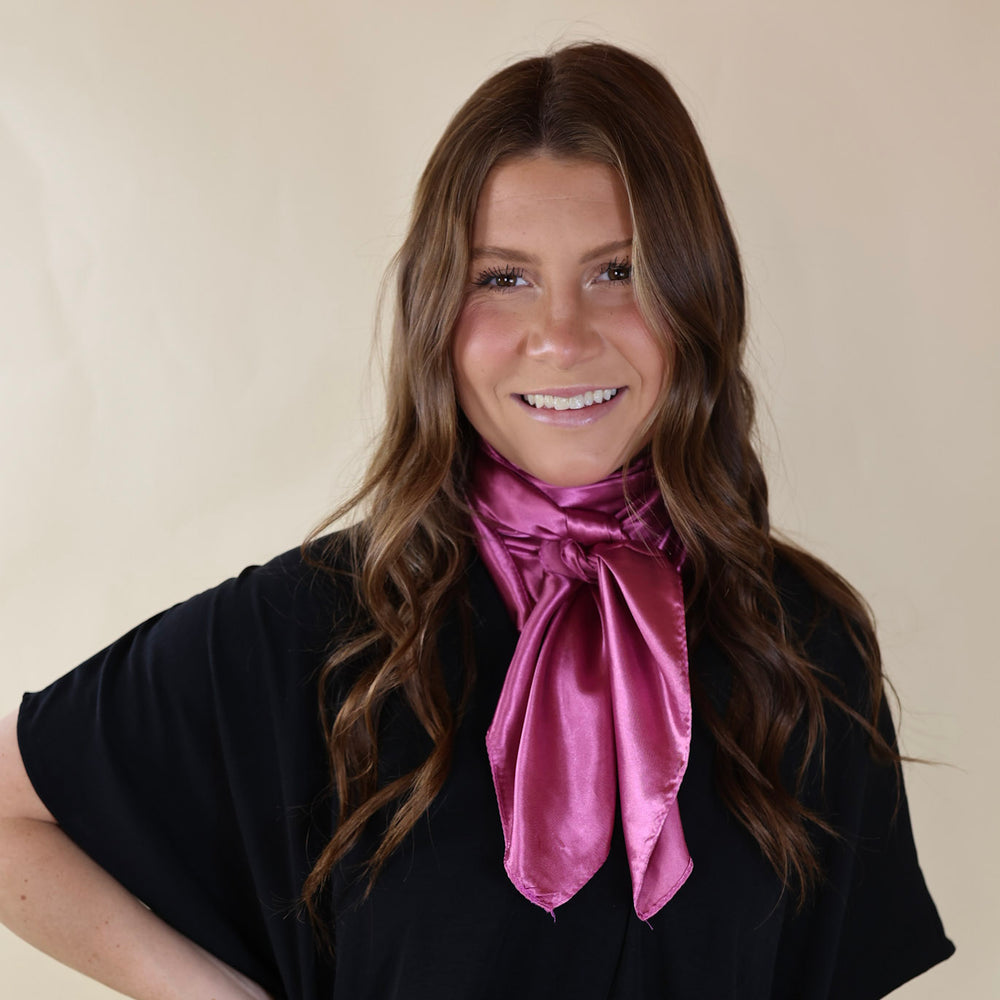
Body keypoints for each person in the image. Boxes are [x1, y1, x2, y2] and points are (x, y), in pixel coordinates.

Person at [0, 42, 953, 1000]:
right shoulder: (309, 631)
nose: (562, 335)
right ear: (438, 316)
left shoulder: (803, 641)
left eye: (619, 270)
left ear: (694, 297)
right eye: (503, 278)